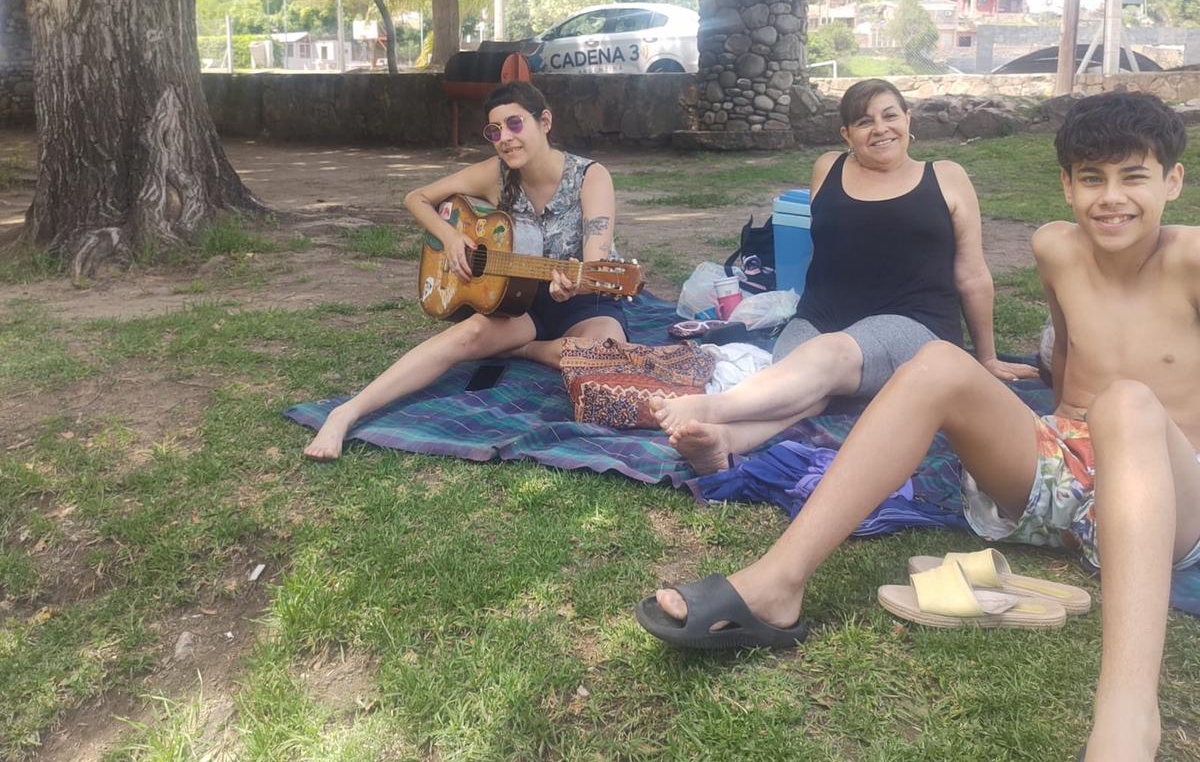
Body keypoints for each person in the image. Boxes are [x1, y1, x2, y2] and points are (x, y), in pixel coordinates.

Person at [636, 91, 1199, 762]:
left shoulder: (1192, 259)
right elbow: (1072, 355)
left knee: (1127, 402)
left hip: (1164, 490)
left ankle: (1126, 721)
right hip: (1059, 472)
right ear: (1067, 187)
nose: (1112, 198)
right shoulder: (1056, 248)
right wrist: (1007, 379)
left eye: (1133, 177)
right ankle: (776, 584)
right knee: (937, 361)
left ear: (1172, 180)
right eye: (1092, 178)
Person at [651, 78, 1035, 474]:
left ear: (908, 118)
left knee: (825, 360)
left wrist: (986, 357)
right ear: (846, 134)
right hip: (822, 314)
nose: (881, 128)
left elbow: (971, 273)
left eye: (890, 115)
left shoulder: (946, 176)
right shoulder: (828, 169)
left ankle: (712, 409)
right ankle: (725, 442)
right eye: (864, 122)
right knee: (803, 384)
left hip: (913, 323)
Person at [303, 81, 627, 460]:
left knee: (606, 354)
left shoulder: (591, 176)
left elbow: (595, 258)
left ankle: (523, 349)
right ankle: (347, 413)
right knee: (467, 333)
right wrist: (450, 237)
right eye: (495, 131)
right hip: (522, 298)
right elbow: (416, 198)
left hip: (586, 298)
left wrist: (576, 283)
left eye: (515, 124)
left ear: (545, 122)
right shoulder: (496, 173)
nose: (505, 138)